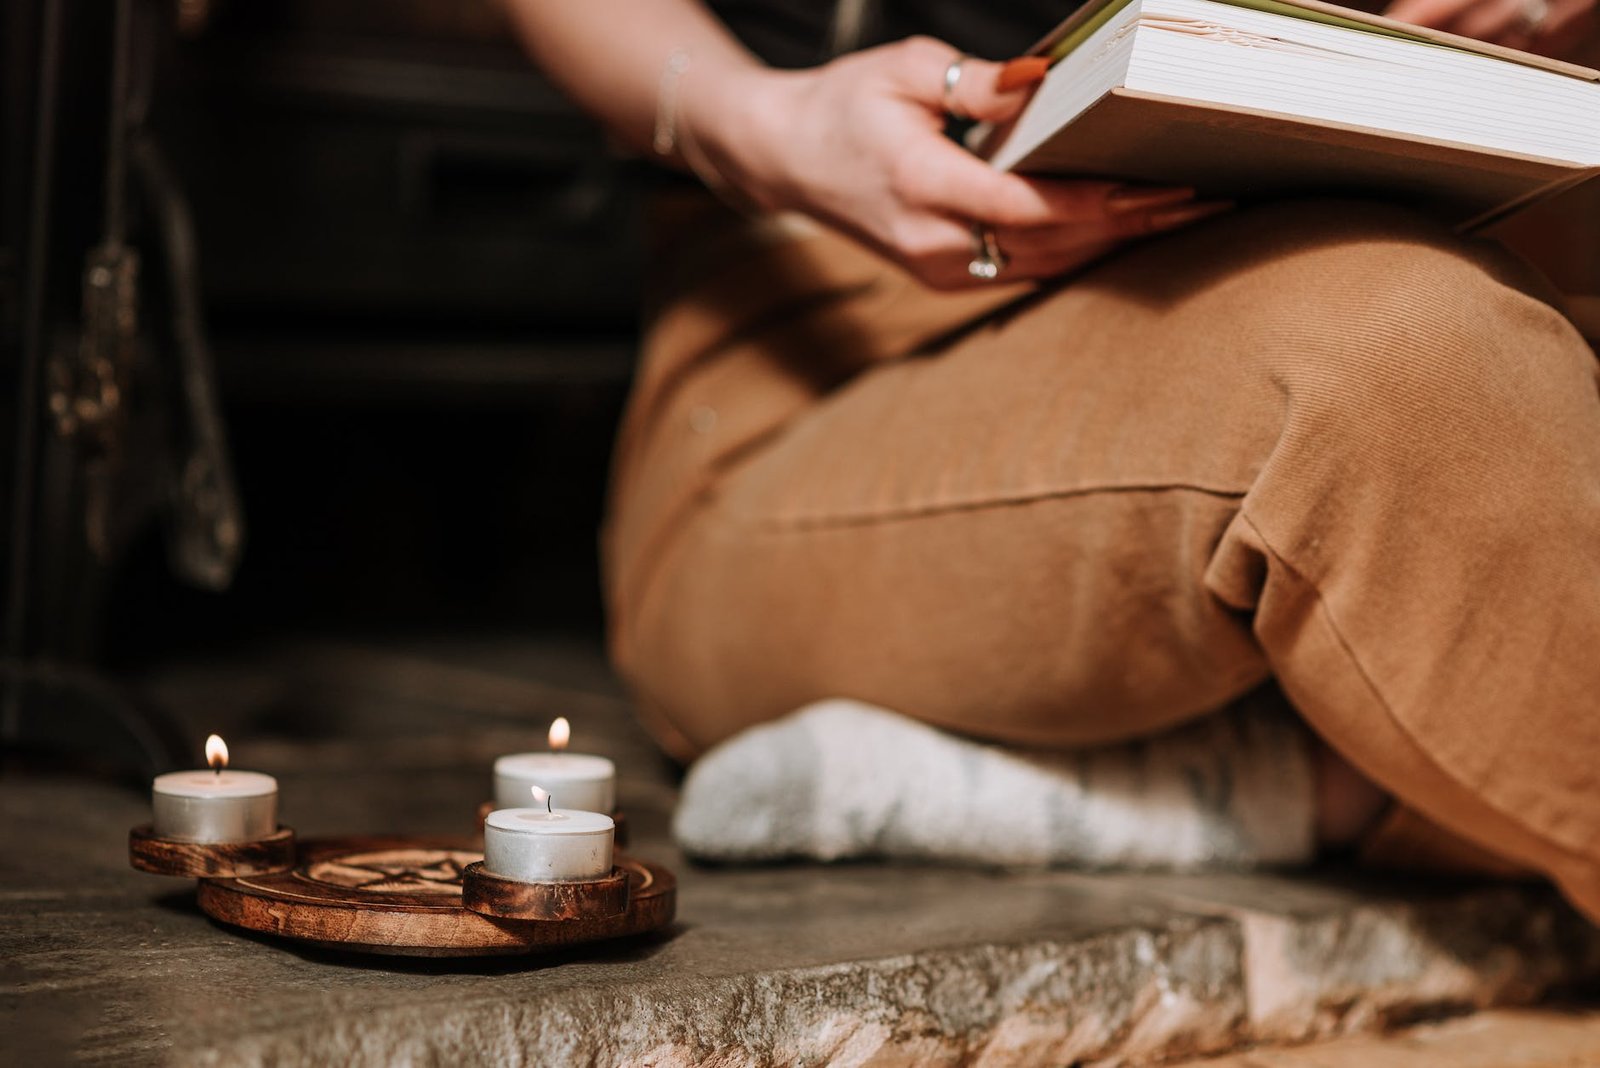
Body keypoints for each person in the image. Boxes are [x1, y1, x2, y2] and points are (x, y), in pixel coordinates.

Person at [503, 0, 1600, 911]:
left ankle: (1257, 785)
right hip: (815, 343)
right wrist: (756, 120)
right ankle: (1312, 767)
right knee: (1401, 360)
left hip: (1307, 240)